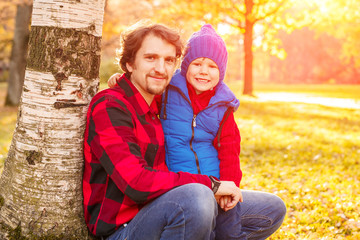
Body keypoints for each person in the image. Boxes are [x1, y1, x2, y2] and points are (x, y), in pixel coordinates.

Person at [85, 22, 285, 240]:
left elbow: (228, 149)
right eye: (150, 58)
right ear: (130, 63)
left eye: (169, 60)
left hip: (168, 206)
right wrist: (210, 185)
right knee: (197, 196)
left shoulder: (157, 106)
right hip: (126, 228)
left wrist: (222, 186)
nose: (161, 68)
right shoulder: (110, 106)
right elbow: (136, 182)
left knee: (271, 207)